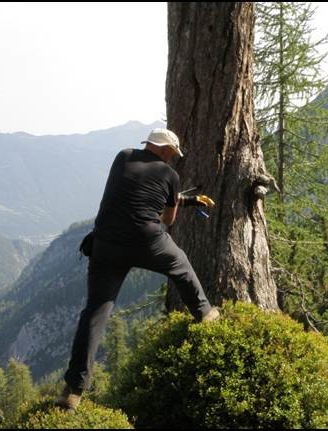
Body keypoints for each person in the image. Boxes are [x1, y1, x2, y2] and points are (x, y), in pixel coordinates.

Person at [55, 128, 220, 411]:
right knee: (181, 267)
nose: (173, 159)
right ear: (167, 150)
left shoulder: (123, 157)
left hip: (104, 244)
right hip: (147, 241)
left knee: (95, 313)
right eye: (174, 154)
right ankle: (205, 314)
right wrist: (169, 210)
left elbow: (134, 191)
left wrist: (188, 200)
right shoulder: (171, 175)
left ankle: (73, 391)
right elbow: (168, 218)